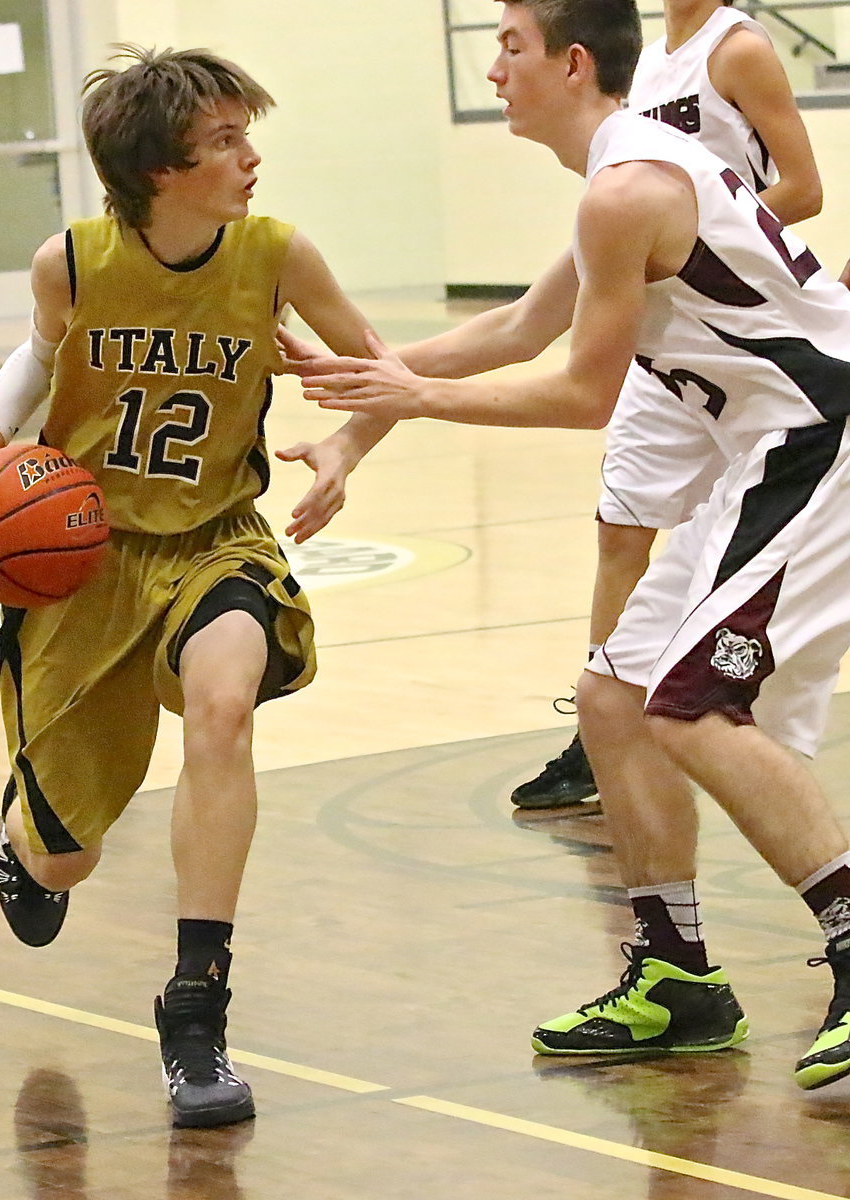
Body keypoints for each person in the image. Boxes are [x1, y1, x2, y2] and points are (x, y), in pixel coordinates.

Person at [288, 0, 850, 1089]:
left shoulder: (628, 186)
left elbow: (586, 391)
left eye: (509, 46)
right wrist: (363, 425)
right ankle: (675, 975)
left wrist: (416, 399)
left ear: (571, 62)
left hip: (821, 438)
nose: (493, 68)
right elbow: (509, 330)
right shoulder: (624, 175)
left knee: (688, 705)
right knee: (610, 699)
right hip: (765, 445)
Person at [0, 45, 387, 1127]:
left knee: (223, 708)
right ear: (159, 170)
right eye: (225, 141)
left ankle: (195, 1010)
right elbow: (42, 354)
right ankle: (28, 847)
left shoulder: (274, 254)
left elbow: (380, 368)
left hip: (215, 542)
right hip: (84, 561)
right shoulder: (73, 264)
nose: (251, 158)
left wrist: (344, 451)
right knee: (67, 857)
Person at [510, 0, 822, 811]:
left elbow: (805, 188)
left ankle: (738, 729)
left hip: (732, 316)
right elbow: (516, 334)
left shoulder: (740, 48)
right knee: (621, 526)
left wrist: (703, 228)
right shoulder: (644, 63)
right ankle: (601, 727)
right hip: (666, 321)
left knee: (781, 523)